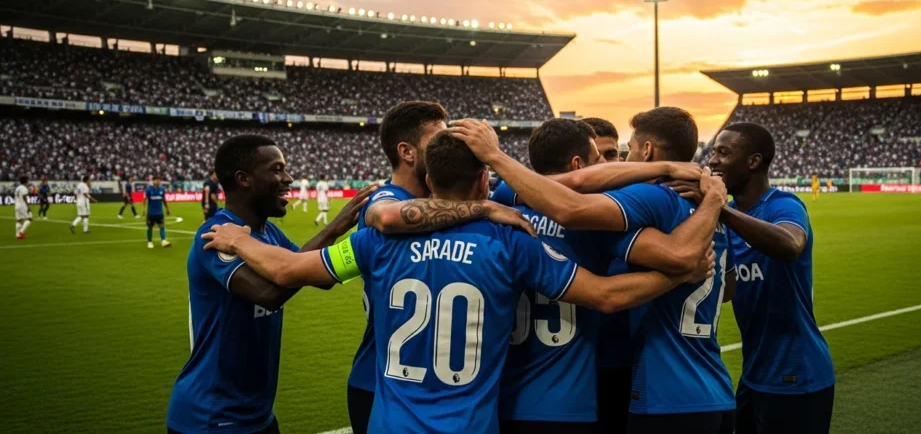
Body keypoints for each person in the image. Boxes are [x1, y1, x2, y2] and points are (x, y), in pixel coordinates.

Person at [199, 131, 697, 434]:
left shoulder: (377, 238)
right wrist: (676, 271)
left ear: (428, 180)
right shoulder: (510, 241)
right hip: (471, 426)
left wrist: (237, 240)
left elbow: (284, 271)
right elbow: (608, 297)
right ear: (485, 180)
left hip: (390, 425)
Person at [450, 108, 738, 434]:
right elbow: (682, 259)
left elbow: (568, 186)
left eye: (618, 154)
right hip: (588, 396)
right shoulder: (607, 223)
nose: (611, 165)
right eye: (602, 158)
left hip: (504, 396)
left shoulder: (503, 203)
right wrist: (710, 206)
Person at [166, 134, 377, 434]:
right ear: (244, 179)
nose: (288, 178)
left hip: (258, 415)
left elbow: (313, 275)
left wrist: (376, 246)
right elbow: (269, 294)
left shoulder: (270, 235)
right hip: (210, 417)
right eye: (277, 170)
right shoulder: (216, 235)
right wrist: (336, 227)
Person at [348, 101, 534, 434]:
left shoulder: (458, 199)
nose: (448, 144)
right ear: (406, 152)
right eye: (438, 138)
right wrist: (483, 208)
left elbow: (558, 184)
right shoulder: (385, 200)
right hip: (382, 382)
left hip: (434, 380)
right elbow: (389, 217)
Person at [708, 123, 835, 434]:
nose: (713, 160)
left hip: (796, 375)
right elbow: (727, 291)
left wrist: (721, 212)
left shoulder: (782, 205)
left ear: (753, 161)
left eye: (724, 153)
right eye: (713, 152)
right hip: (754, 374)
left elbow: (790, 245)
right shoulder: (732, 214)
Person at [580, 116, 630, 434]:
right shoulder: (541, 209)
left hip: (628, 366)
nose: (604, 165)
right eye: (596, 156)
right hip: (573, 371)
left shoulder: (637, 207)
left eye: (611, 155)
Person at [145, 177, 172, 249]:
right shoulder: (149, 189)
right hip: (151, 213)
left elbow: (164, 200)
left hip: (159, 213)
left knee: (162, 226)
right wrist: (144, 209)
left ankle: (163, 241)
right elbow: (145, 199)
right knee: (150, 227)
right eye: (156, 180)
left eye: (159, 180)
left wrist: (167, 209)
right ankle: (150, 242)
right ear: (153, 181)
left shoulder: (162, 189)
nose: (158, 181)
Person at [14, 176, 32, 240]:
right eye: (28, 180)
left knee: (19, 220)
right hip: (22, 205)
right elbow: (25, 198)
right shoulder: (24, 188)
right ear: (26, 181)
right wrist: (28, 206)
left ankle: (17, 235)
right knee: (29, 219)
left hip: (17, 206)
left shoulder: (17, 188)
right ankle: (21, 232)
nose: (28, 182)